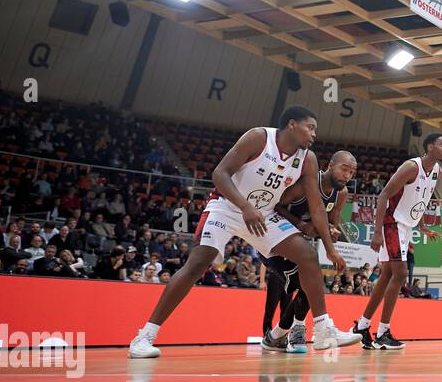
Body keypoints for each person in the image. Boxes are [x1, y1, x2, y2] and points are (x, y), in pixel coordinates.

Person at [128, 107, 359, 358]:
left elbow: (316, 208)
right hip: (227, 206)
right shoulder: (258, 138)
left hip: (265, 214)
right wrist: (245, 206)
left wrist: (330, 248)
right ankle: (145, 336)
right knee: (196, 264)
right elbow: (219, 174)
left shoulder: (308, 159)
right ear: (292, 124)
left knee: (307, 256)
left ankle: (324, 330)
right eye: (310, 128)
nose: (314, 134)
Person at [357, 133, 442, 349]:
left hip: (407, 226)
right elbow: (383, 196)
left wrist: (423, 225)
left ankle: (362, 325)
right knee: (401, 274)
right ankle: (383, 332)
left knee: (388, 275)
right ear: (429, 147)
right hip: (392, 222)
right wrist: (377, 232)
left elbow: (423, 199)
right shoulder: (411, 167)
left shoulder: (437, 171)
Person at [260, 150, 356, 353]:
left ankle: (279, 334)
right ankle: (292, 331)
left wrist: (331, 231)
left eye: (352, 172)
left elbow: (330, 223)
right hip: (274, 240)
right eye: (344, 169)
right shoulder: (306, 183)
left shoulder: (341, 193)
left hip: (301, 246)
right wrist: (301, 225)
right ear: (330, 165)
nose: (347, 175)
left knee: (310, 286)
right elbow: (275, 207)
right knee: (309, 285)